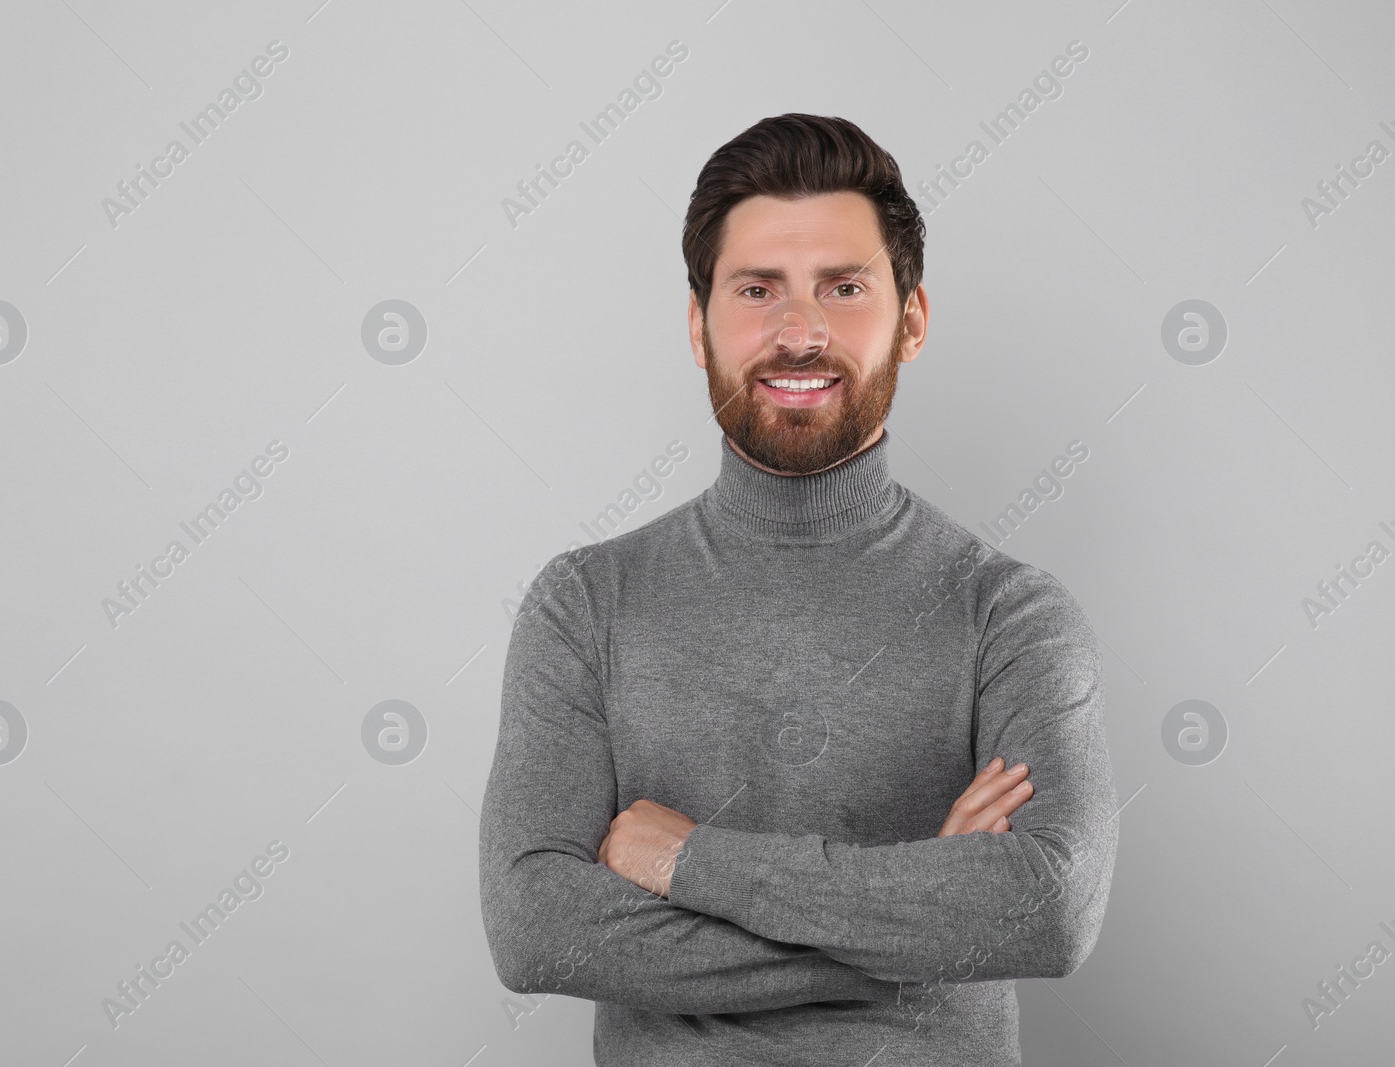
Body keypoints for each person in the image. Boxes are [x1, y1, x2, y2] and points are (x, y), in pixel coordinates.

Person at [478, 112, 1117, 1066]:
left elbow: (1047, 910)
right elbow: (537, 927)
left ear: (912, 319)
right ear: (700, 326)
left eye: (845, 287)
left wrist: (690, 861)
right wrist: (919, 918)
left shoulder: (1011, 614)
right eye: (757, 289)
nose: (801, 331)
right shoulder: (585, 602)